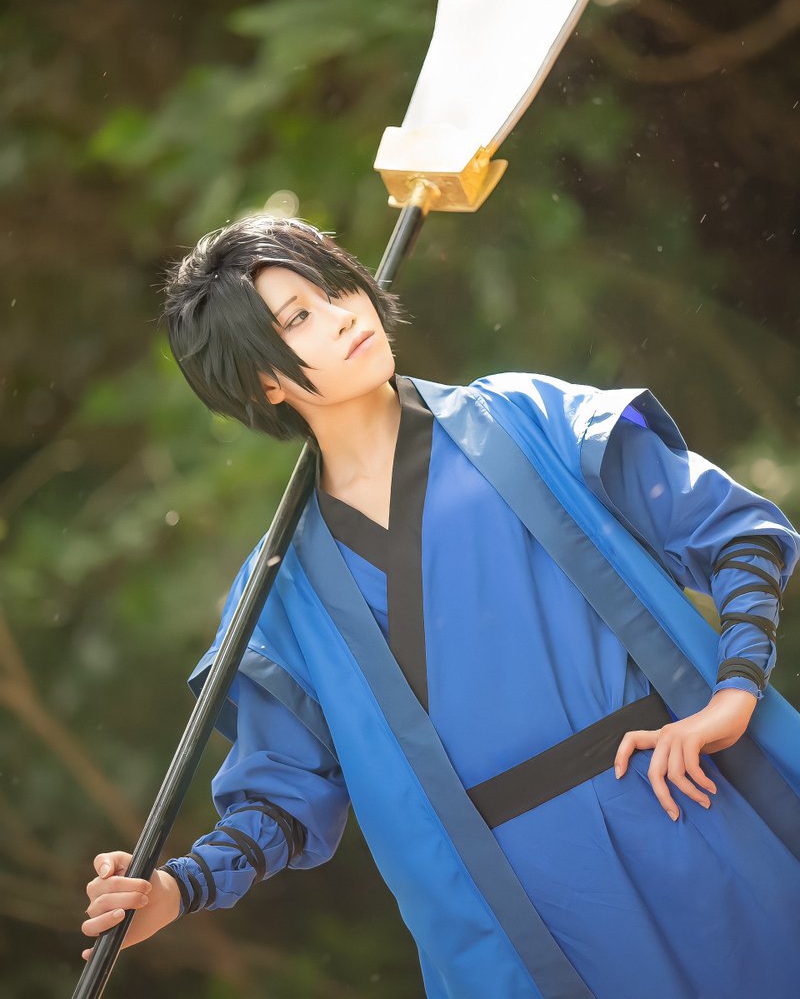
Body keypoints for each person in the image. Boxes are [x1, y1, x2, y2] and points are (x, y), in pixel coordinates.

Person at [82, 214, 800, 999]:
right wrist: (177, 889)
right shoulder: (281, 587)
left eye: (335, 289)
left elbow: (736, 535)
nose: (344, 315)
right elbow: (286, 794)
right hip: (519, 909)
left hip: (690, 810)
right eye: (297, 319)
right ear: (265, 382)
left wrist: (734, 694)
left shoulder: (524, 419)